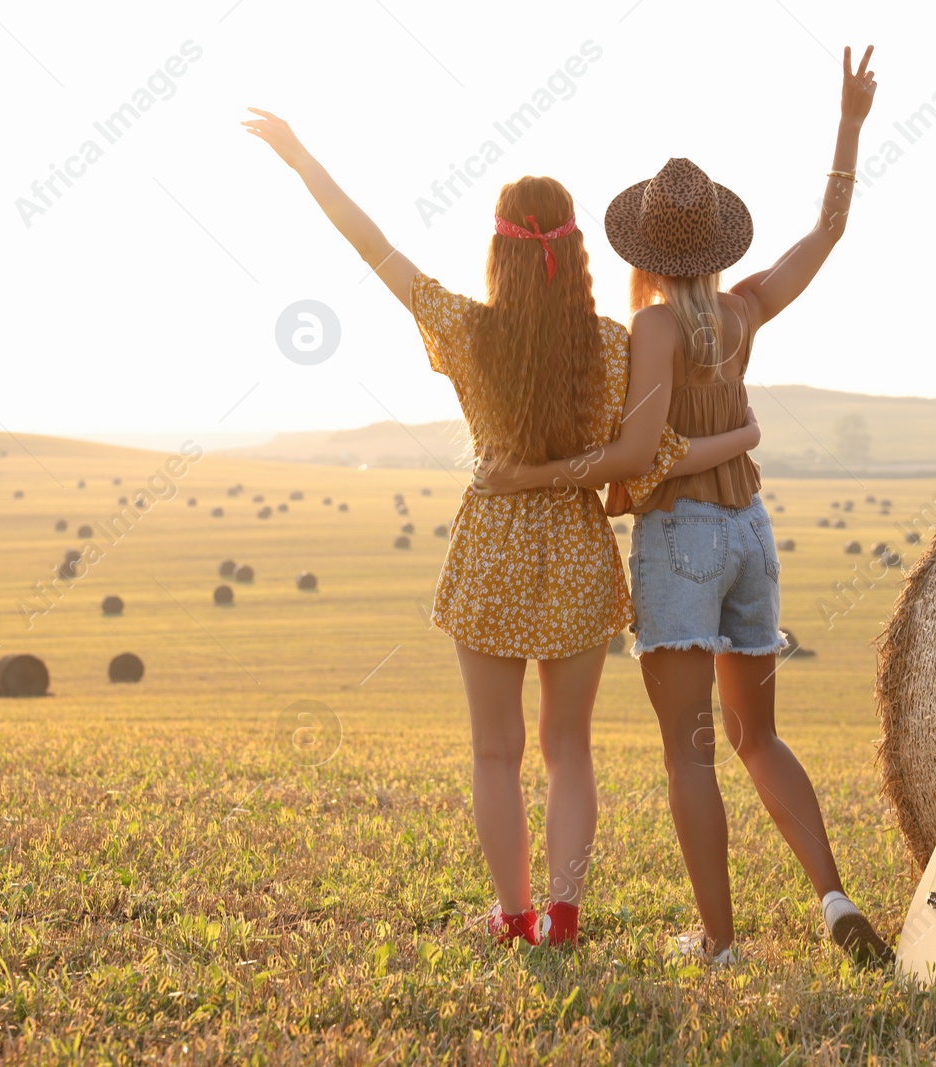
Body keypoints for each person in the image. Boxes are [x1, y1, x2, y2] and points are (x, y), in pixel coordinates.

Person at [244, 109, 758, 947]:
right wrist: (742, 436)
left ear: (499, 251)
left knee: (495, 751)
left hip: (491, 554)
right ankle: (562, 914)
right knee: (569, 749)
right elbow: (651, 455)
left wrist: (303, 160)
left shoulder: (465, 329)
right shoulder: (613, 343)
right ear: (580, 252)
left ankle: (513, 915)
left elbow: (371, 246)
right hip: (578, 558)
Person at [471, 46, 890, 964]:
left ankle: (720, 939)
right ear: (718, 247)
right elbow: (827, 232)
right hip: (752, 535)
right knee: (759, 736)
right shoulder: (745, 310)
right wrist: (849, 126)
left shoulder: (652, 327)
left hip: (685, 541)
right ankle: (833, 897)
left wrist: (545, 478)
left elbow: (634, 456)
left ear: (644, 250)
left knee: (691, 752)